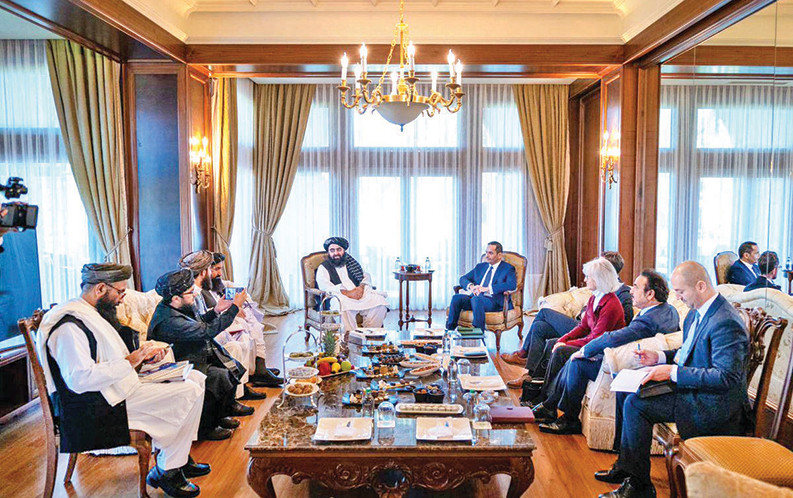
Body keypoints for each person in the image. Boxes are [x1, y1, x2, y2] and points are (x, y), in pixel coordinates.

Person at [37, 263, 209, 498]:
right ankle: (168, 469)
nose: (122, 298)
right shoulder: (68, 328)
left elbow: (108, 359)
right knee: (188, 391)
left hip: (113, 390)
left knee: (196, 378)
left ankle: (176, 458)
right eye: (120, 292)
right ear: (100, 289)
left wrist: (142, 360)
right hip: (96, 407)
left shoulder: (91, 313)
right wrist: (130, 361)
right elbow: (79, 380)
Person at [595, 261, 750, 498]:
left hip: (712, 403)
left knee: (636, 405)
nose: (677, 297)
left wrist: (672, 372)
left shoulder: (725, 321)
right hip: (693, 388)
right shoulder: (695, 313)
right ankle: (627, 467)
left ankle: (639, 488)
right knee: (627, 389)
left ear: (700, 286)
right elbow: (687, 353)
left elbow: (726, 377)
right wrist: (658, 357)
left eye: (680, 291)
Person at [533, 270, 680, 436]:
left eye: (636, 287)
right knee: (570, 355)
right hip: (626, 357)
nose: (631, 290)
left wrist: (586, 349)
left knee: (577, 363)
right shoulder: (668, 310)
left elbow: (615, 336)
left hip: (628, 366)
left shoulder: (648, 319)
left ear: (650, 294)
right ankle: (550, 405)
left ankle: (567, 418)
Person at [148, 269, 253, 442]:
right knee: (218, 376)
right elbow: (207, 331)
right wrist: (234, 308)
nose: (195, 294)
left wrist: (217, 310)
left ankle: (220, 415)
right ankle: (206, 427)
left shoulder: (178, 306)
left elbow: (199, 322)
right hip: (182, 363)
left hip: (196, 353)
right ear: (176, 298)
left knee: (230, 365)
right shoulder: (169, 321)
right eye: (190, 292)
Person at [501, 251, 634, 372]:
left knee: (544, 313)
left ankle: (524, 354)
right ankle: (532, 374)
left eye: (600, 264)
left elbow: (625, 321)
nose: (586, 278)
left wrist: (595, 318)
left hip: (594, 335)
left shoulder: (622, 293)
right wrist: (584, 314)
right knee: (539, 326)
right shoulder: (597, 294)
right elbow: (587, 311)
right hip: (583, 325)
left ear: (606, 270)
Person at [180, 251, 281, 392]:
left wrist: (218, 309)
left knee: (249, 326)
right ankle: (250, 377)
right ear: (204, 272)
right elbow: (203, 329)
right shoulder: (189, 295)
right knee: (241, 334)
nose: (218, 273)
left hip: (206, 333)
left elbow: (202, 319)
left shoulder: (199, 290)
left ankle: (252, 375)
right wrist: (232, 309)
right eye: (213, 269)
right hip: (198, 348)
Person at [315, 237, 388, 332]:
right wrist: (348, 293)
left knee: (379, 302)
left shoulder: (351, 263)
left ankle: (370, 334)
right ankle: (350, 336)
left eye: (339, 249)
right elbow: (324, 285)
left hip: (359, 294)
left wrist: (361, 288)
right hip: (340, 295)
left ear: (344, 251)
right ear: (328, 252)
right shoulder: (324, 267)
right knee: (341, 304)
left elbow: (365, 276)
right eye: (332, 250)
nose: (336, 253)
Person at [446, 241, 517, 331]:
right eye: (486, 252)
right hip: (476, 299)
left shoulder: (508, 268)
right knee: (456, 298)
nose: (487, 255)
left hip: (494, 302)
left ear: (499, 255)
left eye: (490, 253)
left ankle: (478, 333)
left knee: (476, 299)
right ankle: (450, 331)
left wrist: (487, 289)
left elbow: (511, 284)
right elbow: (463, 279)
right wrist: (472, 287)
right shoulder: (480, 267)